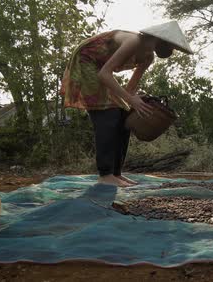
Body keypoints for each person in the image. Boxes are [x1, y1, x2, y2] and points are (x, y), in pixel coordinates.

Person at [61, 21, 193, 187]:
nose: (172, 50)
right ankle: (105, 174)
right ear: (162, 40)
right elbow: (104, 74)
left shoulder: (148, 57)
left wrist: (133, 101)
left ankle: (116, 173)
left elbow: (129, 90)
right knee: (107, 115)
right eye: (172, 46)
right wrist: (131, 100)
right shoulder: (133, 41)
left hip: (101, 68)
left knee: (123, 115)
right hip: (86, 60)